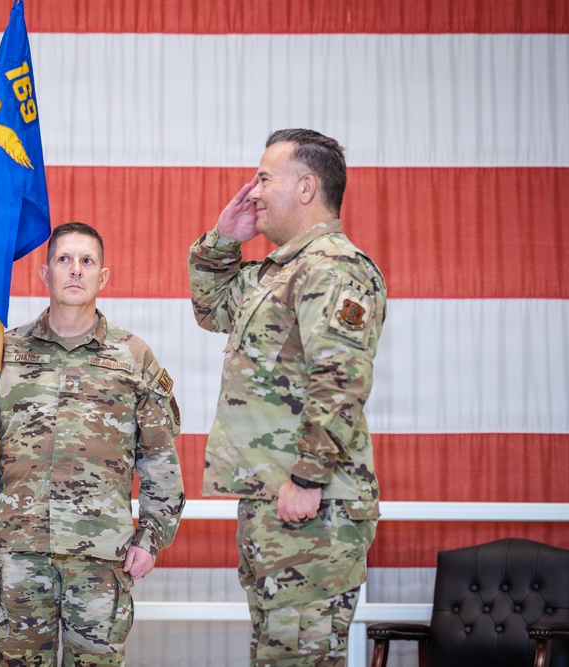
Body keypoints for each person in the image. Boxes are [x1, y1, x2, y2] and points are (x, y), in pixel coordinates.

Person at [188, 129, 387, 666]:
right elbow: (211, 310)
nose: (252, 191)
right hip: (277, 502)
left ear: (306, 188)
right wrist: (223, 240)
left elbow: (339, 381)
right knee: (279, 655)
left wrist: (307, 477)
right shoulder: (277, 272)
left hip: (311, 506)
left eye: (263, 178)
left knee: (300, 656)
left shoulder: (333, 268)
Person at [0, 222, 185, 666]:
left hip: (100, 560)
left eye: (86, 261)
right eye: (64, 260)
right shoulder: (3, 354)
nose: (75, 270)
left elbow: (159, 459)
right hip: (18, 557)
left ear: (103, 276)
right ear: (45, 274)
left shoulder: (132, 357)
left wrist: (151, 538)